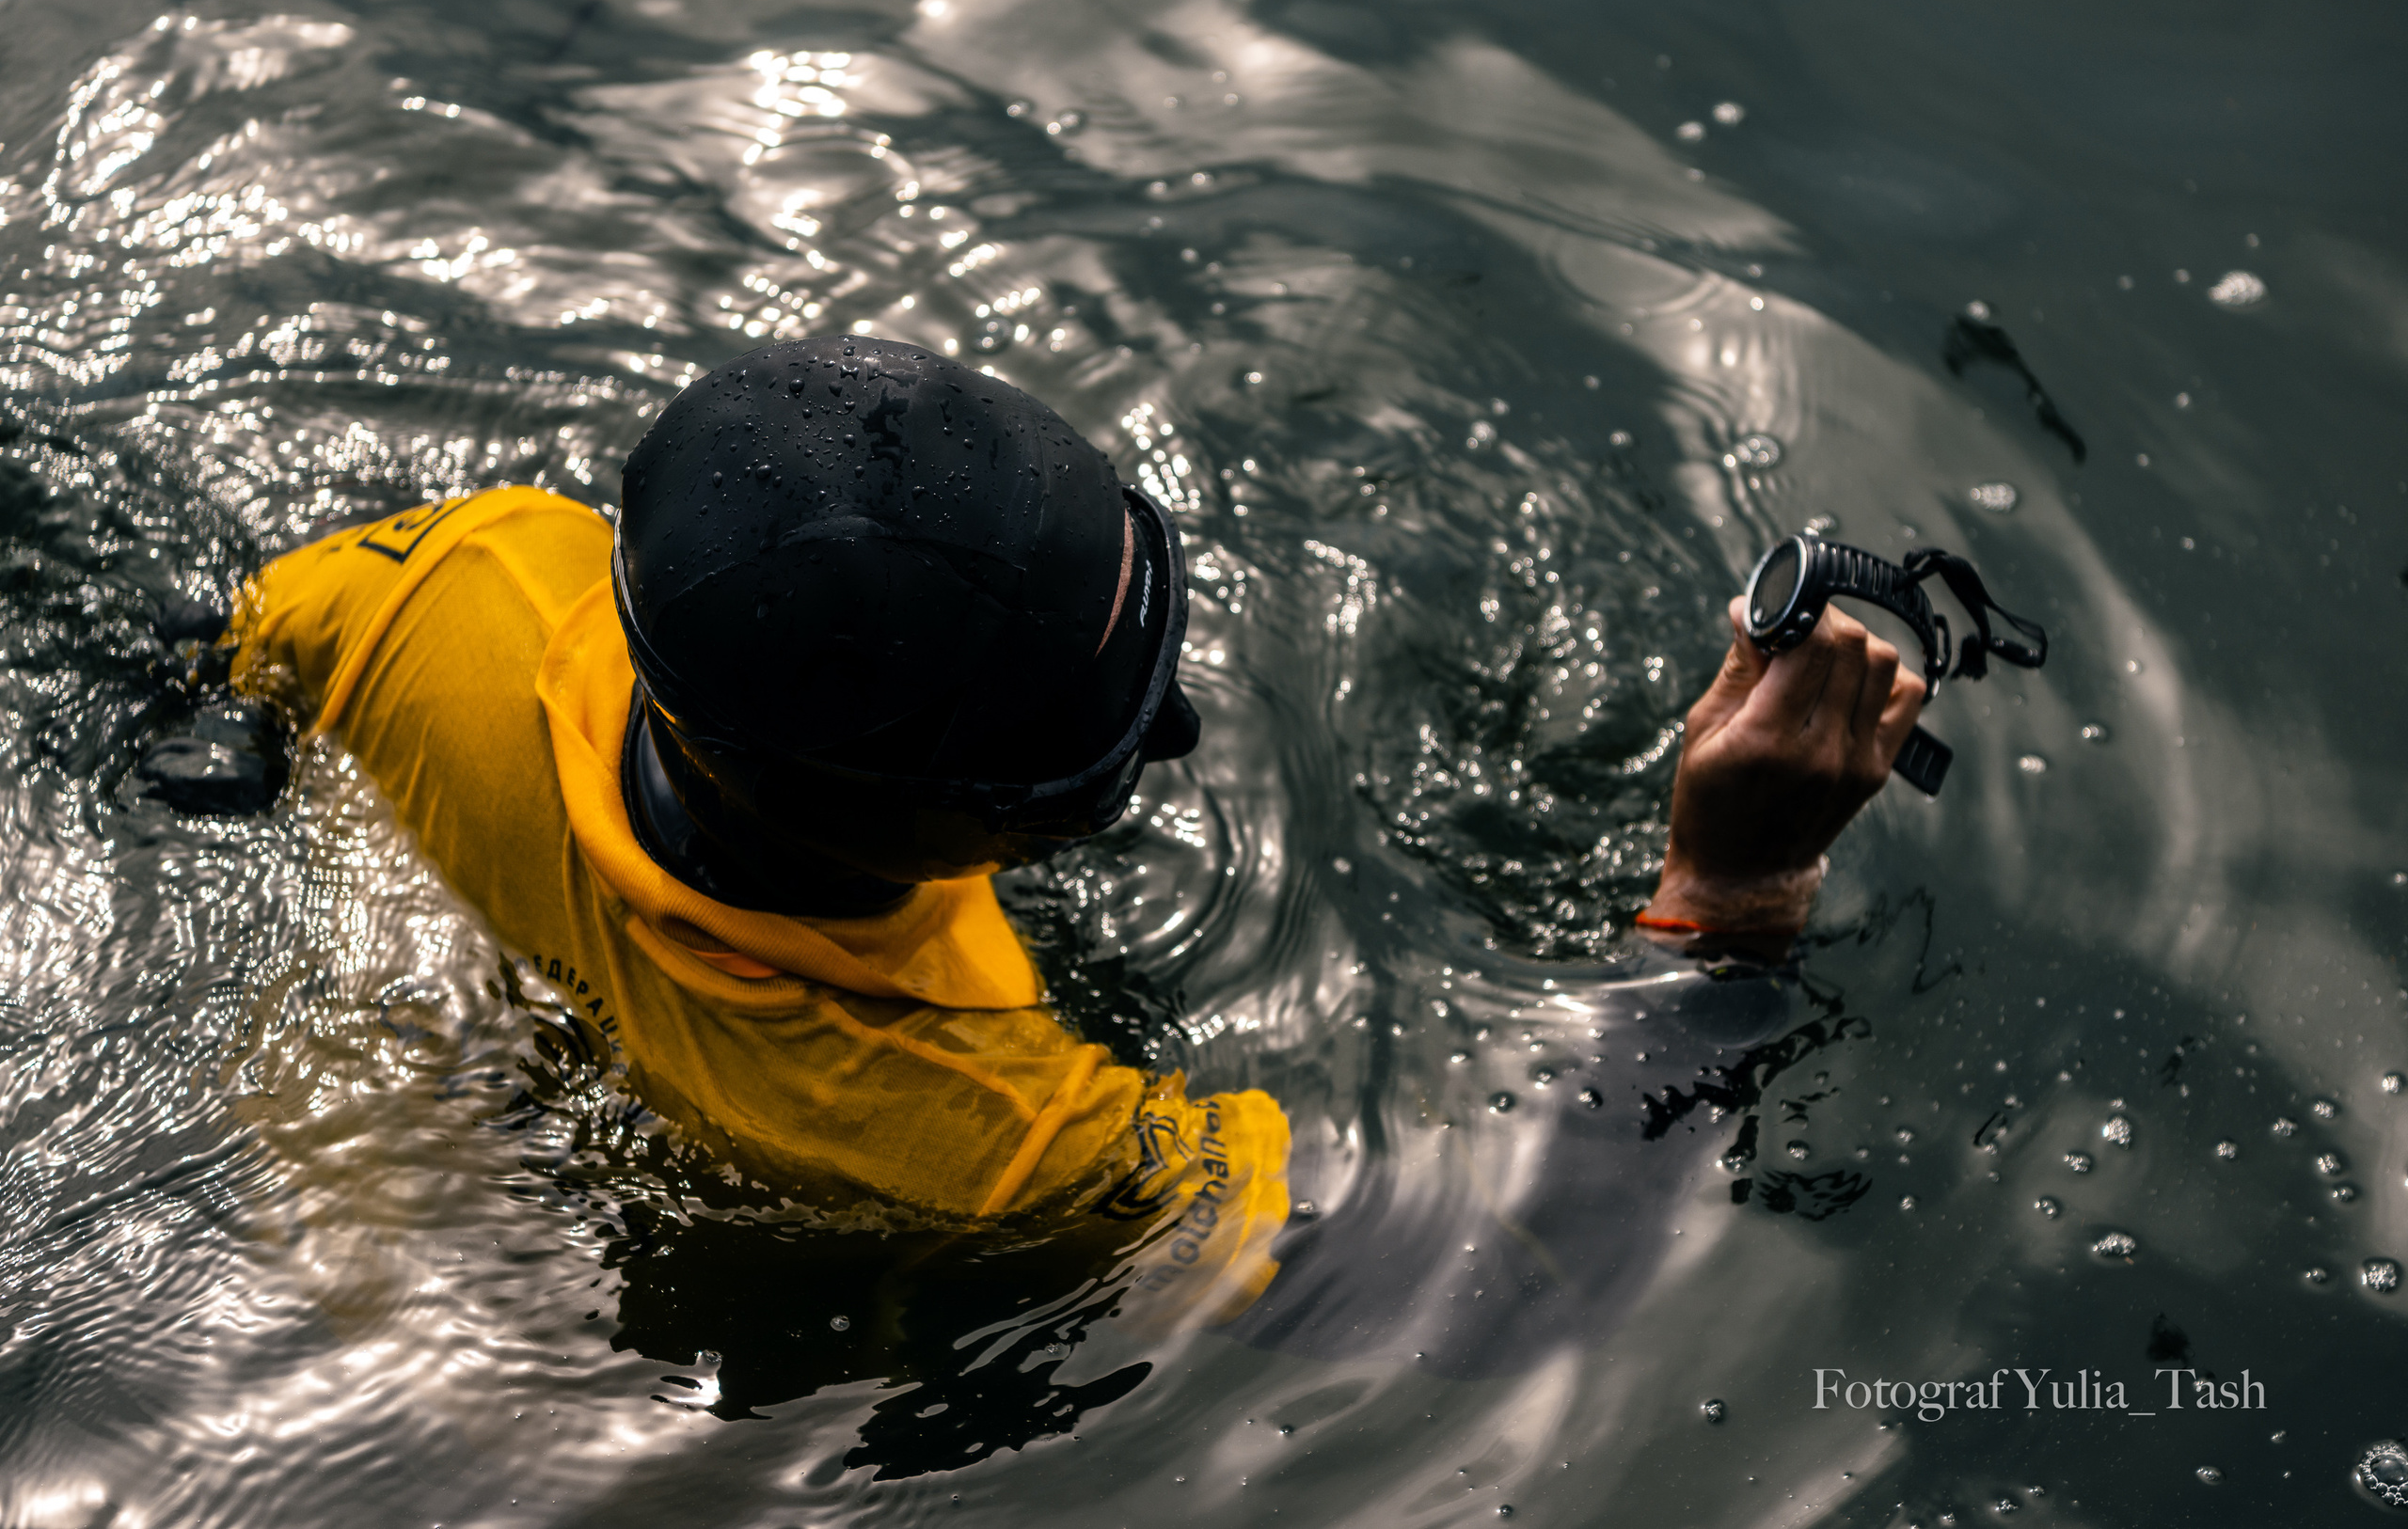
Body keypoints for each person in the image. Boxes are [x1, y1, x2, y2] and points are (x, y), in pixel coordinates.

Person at [153, 335, 1924, 1375]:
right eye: (1099, 759)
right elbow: (1466, 1297)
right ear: (925, 824)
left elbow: (245, 647)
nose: (1177, 745)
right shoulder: (975, 1133)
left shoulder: (481, 570)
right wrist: (1733, 897)